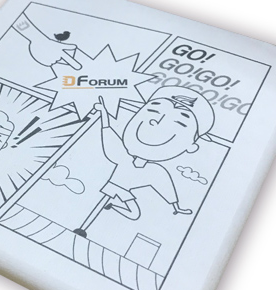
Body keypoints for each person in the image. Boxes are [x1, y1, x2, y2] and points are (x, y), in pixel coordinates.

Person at [73, 86, 215, 238]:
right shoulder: (124, 156)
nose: (155, 122)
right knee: (97, 206)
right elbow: (108, 131)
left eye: (179, 123)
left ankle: (111, 206)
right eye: (153, 112)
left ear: (191, 146)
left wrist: (177, 207)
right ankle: (82, 228)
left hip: (124, 191)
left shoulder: (154, 170)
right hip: (114, 185)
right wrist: (103, 112)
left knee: (134, 214)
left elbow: (165, 187)